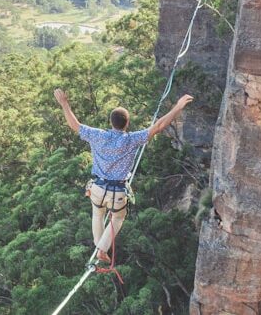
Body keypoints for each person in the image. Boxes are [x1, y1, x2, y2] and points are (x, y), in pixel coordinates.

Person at [53, 88, 194, 264]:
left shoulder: (98, 135)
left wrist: (64, 104)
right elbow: (159, 126)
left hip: (97, 187)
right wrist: (177, 107)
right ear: (127, 123)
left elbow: (75, 125)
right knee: (118, 218)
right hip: (117, 191)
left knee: (97, 215)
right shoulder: (131, 139)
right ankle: (102, 249)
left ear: (111, 122)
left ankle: (99, 247)